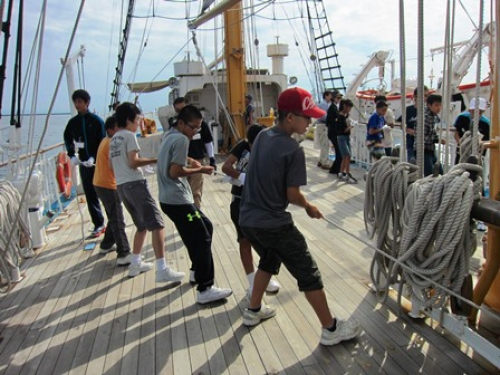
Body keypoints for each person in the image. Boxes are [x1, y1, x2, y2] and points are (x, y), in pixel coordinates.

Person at [239, 87, 360, 346]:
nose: (311, 121)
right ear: (291, 117)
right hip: (274, 224)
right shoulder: (293, 150)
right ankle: (331, 329)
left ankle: (253, 310)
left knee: (269, 260)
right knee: (308, 273)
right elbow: (292, 195)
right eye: (307, 117)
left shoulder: (261, 136)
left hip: (248, 220)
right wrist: (308, 207)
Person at [157, 104, 232, 304]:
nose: (195, 133)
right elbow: (174, 171)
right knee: (203, 234)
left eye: (198, 129)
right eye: (193, 128)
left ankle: (195, 271)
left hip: (168, 201)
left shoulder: (169, 135)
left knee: (199, 231)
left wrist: (191, 161)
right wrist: (201, 170)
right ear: (180, 123)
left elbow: (173, 156)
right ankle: (205, 287)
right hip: (179, 202)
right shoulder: (181, 139)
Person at [110, 102, 185, 282]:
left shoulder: (113, 139)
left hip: (121, 186)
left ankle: (135, 263)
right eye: (137, 120)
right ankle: (162, 269)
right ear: (129, 119)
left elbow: (110, 166)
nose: (138, 124)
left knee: (142, 226)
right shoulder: (129, 136)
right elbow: (133, 161)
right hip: (135, 184)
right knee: (157, 224)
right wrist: (155, 159)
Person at [221, 124, 281, 298]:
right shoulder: (243, 146)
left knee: (265, 241)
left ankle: (264, 275)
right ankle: (252, 282)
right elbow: (226, 166)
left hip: (260, 203)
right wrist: (239, 176)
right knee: (245, 241)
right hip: (240, 203)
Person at [64, 89, 106, 237]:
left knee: (104, 191)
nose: (77, 104)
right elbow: (68, 139)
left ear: (87, 103)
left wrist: (94, 157)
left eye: (80, 102)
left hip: (98, 163)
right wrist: (72, 155)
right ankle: (99, 223)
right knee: (89, 194)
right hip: (83, 164)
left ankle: (113, 221)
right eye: (75, 102)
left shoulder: (96, 121)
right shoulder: (73, 123)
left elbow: (103, 141)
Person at [93, 115, 132, 265]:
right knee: (117, 219)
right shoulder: (112, 143)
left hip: (100, 183)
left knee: (112, 215)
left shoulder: (106, 141)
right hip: (108, 185)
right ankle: (124, 253)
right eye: (119, 127)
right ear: (110, 130)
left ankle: (106, 244)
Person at [170, 97, 216, 209]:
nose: (181, 113)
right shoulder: (174, 130)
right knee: (183, 192)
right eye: (178, 110)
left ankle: (195, 215)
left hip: (197, 161)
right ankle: (189, 216)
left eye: (183, 109)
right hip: (180, 162)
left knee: (195, 192)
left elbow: (208, 141)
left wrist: (212, 158)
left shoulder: (200, 126)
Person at [453, 97, 490, 164]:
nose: (477, 114)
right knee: (459, 168)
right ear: (470, 110)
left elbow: (487, 140)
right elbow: (456, 133)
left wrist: (478, 148)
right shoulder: (462, 118)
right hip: (462, 151)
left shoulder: (486, 123)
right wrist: (463, 146)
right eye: (474, 111)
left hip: (478, 154)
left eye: (480, 112)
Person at [397, 86, 429, 162]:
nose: (424, 98)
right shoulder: (408, 110)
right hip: (411, 141)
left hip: (425, 142)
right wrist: (409, 130)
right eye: (422, 95)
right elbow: (402, 125)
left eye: (426, 96)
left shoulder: (428, 111)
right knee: (412, 160)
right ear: (415, 96)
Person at [416, 94, 443, 177]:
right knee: (430, 174)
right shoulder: (425, 117)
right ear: (429, 105)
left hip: (430, 149)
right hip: (423, 149)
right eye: (436, 105)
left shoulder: (434, 117)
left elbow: (432, 132)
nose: (439, 108)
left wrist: (437, 139)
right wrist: (436, 139)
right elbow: (422, 135)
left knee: (439, 172)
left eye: (440, 105)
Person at [335, 99, 356, 183]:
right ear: (345, 106)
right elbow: (343, 130)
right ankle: (347, 174)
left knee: (345, 156)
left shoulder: (343, 116)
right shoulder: (340, 117)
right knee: (347, 155)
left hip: (344, 137)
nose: (349, 110)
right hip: (342, 137)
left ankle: (341, 172)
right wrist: (351, 126)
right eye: (349, 108)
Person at [326, 90, 343, 176]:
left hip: (332, 132)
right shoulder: (333, 107)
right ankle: (336, 169)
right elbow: (329, 121)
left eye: (340, 98)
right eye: (338, 98)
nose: (339, 99)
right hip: (333, 132)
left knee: (338, 151)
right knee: (339, 151)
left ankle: (335, 169)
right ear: (334, 98)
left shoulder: (333, 107)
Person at [316, 91, 333, 169]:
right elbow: (323, 116)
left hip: (320, 125)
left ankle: (321, 160)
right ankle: (324, 162)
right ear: (326, 96)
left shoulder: (322, 104)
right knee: (325, 145)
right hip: (323, 125)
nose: (331, 97)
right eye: (330, 96)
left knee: (323, 144)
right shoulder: (324, 104)